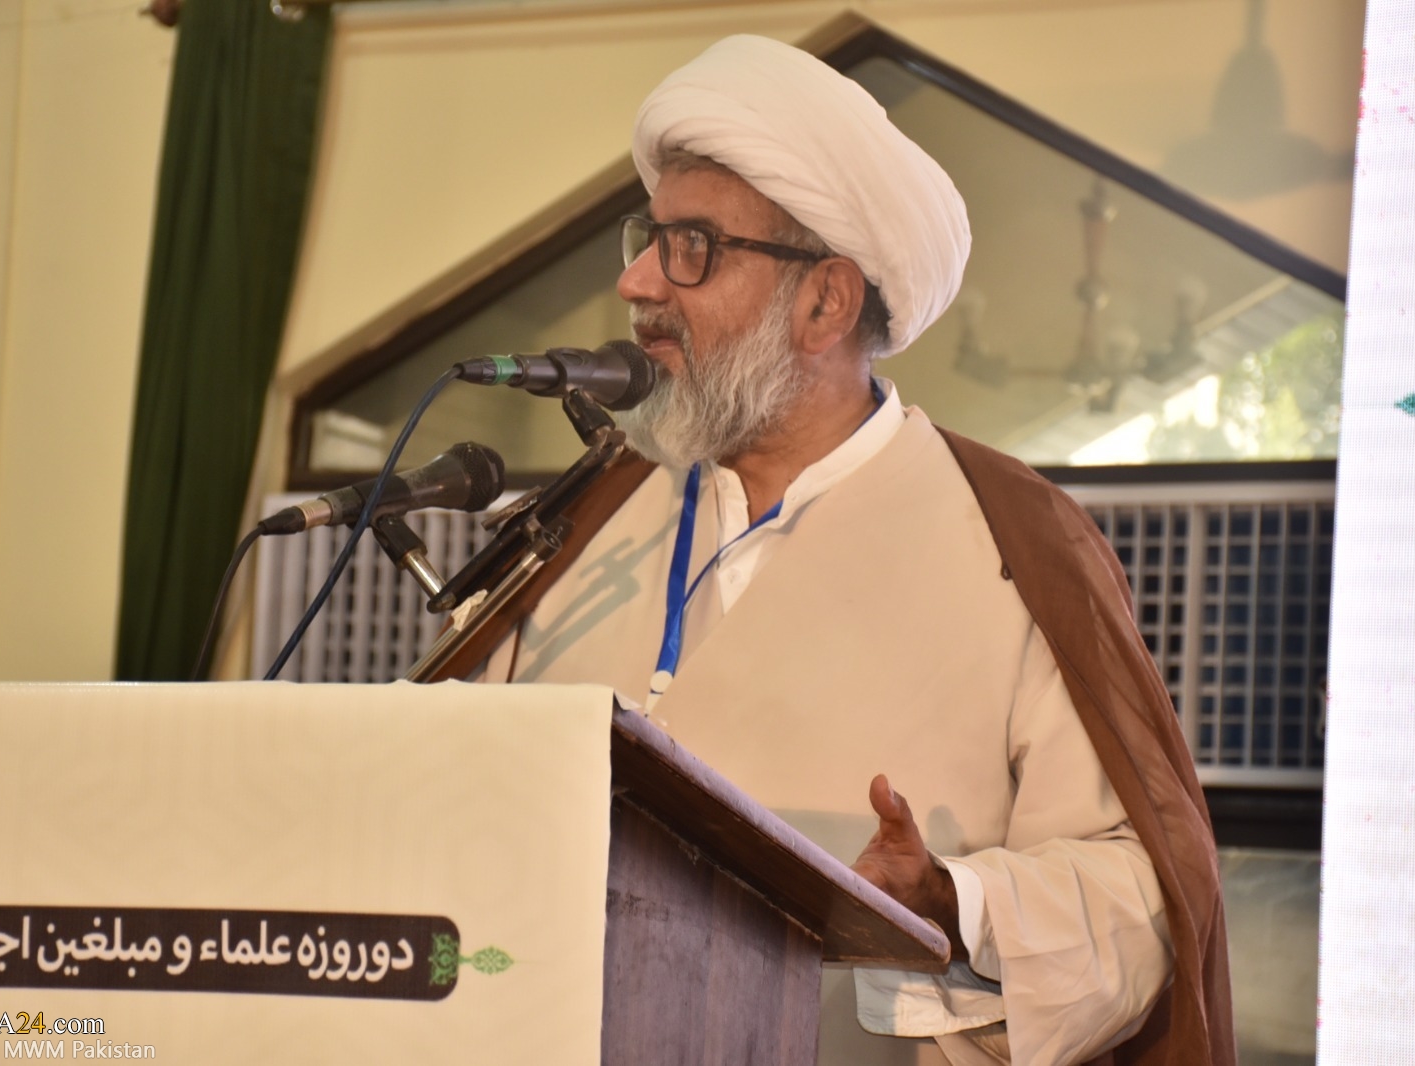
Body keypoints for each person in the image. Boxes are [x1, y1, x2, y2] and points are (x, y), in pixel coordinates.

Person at [471, 34, 1233, 1066]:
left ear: (825, 302)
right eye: (646, 238)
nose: (637, 280)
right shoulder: (587, 518)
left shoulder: (1013, 538)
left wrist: (950, 901)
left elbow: (1138, 897)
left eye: (691, 246)